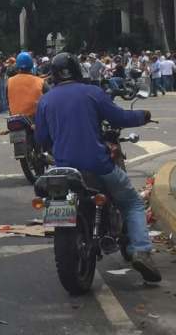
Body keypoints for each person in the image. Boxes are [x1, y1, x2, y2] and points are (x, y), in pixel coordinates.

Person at [35, 53, 161, 283]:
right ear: (77, 69)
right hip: (97, 165)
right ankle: (142, 251)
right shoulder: (92, 93)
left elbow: (42, 137)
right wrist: (143, 115)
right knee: (132, 202)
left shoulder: (46, 100)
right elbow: (119, 117)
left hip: (63, 169)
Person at [6, 52, 46, 119]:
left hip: (15, 120)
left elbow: (8, 100)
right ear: (31, 64)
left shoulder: (10, 81)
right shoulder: (40, 82)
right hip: (35, 120)